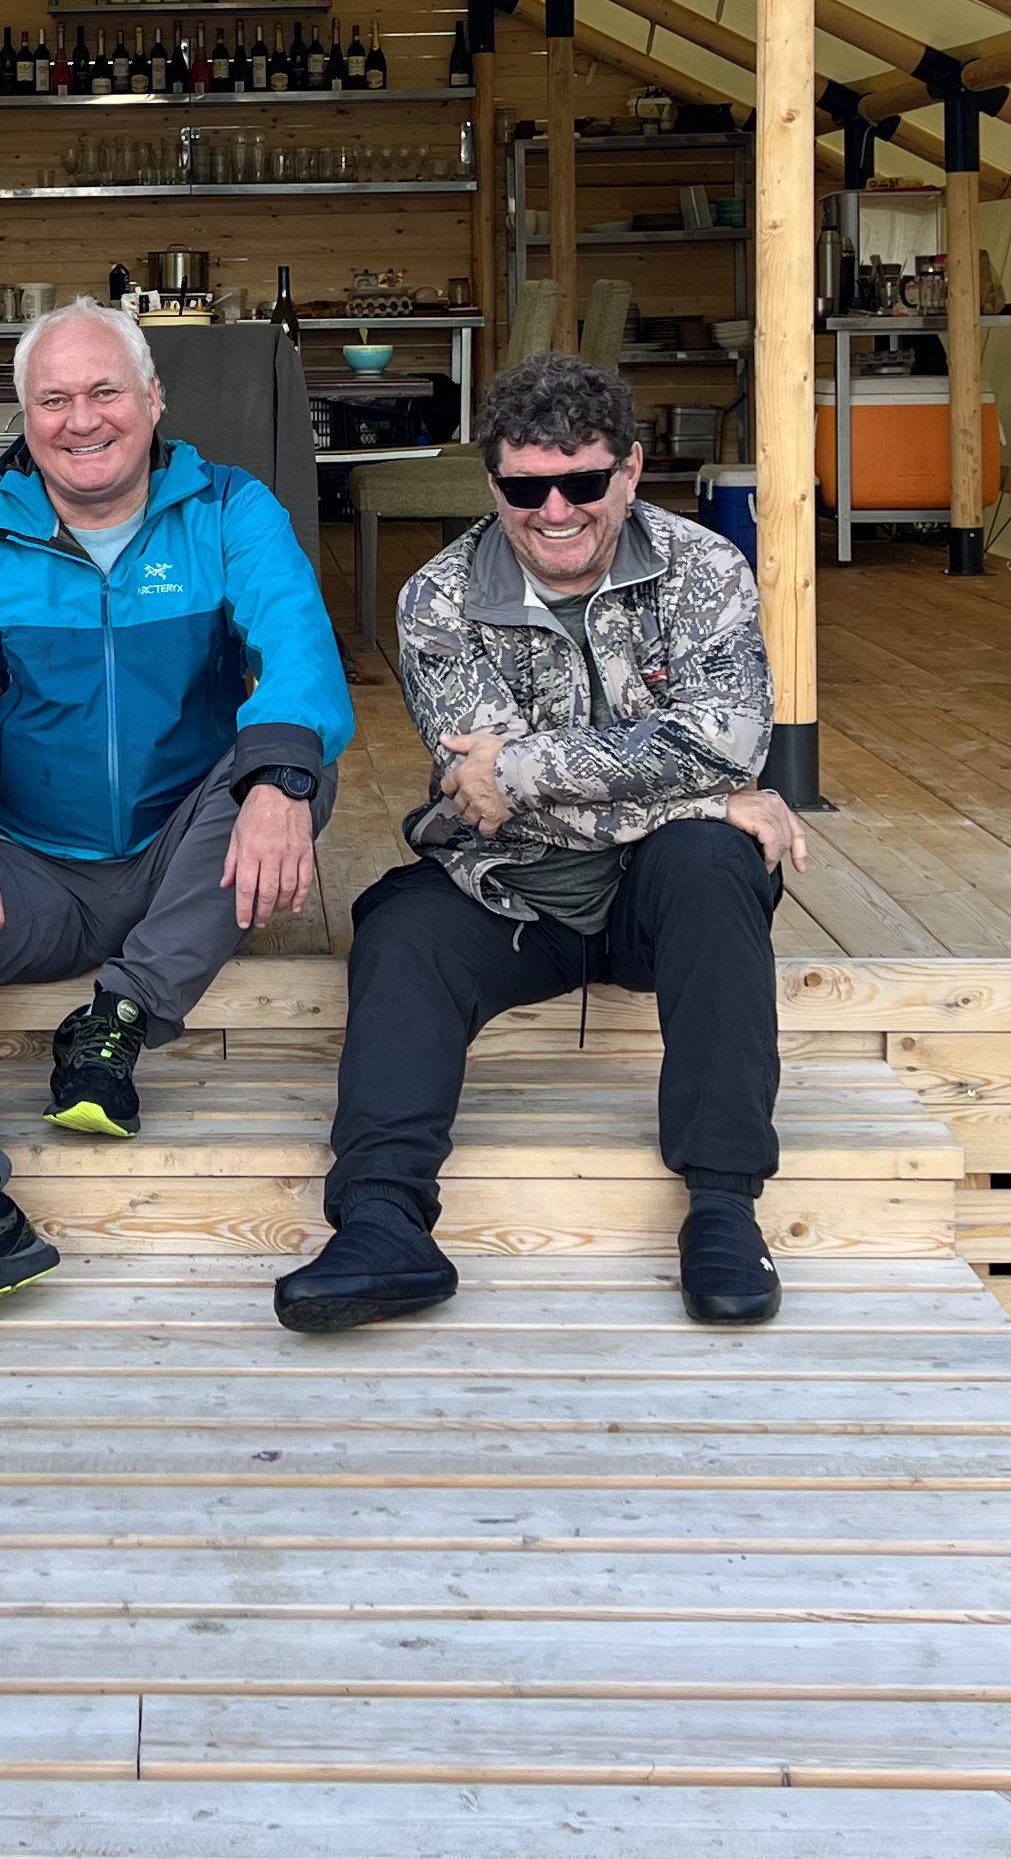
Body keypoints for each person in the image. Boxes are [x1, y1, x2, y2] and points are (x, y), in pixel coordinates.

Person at [276, 349, 810, 1336]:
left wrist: (538, 770)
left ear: (631, 470)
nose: (555, 510)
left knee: (713, 865)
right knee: (398, 930)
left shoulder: (704, 567)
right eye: (526, 487)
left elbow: (729, 740)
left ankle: (724, 1208)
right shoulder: (437, 597)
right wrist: (701, 797)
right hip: (511, 887)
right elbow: (483, 802)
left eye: (582, 482)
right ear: (493, 485)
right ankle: (383, 1222)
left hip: (659, 902)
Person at [0, 301, 352, 1333]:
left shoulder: (229, 509)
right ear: (24, 418)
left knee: (292, 767)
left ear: (154, 401)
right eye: (54, 400)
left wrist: (278, 783)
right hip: (39, 870)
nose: (82, 420)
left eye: (105, 392)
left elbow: (298, 647)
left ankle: (116, 1018)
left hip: (185, 858)